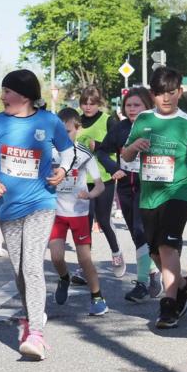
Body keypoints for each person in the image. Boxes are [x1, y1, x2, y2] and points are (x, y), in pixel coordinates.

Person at [0, 70, 72, 360]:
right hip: (9, 206)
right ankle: (30, 318)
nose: (2, 96)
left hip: (41, 202)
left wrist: (62, 171)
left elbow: (67, 152)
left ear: (25, 96)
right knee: (19, 270)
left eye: (7, 91)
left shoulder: (48, 121)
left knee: (31, 265)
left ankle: (37, 335)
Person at [121, 66, 187, 330]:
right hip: (149, 196)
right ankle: (181, 285)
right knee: (155, 250)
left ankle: (168, 305)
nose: (166, 99)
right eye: (160, 94)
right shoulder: (144, 120)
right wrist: (134, 147)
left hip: (177, 193)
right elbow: (125, 156)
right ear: (152, 95)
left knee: (169, 246)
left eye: (171, 93)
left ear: (180, 92)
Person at [96, 86, 164, 302]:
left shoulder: (156, 126)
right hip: (126, 185)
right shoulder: (120, 128)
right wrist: (112, 167)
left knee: (139, 228)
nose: (132, 109)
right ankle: (153, 271)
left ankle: (142, 283)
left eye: (137, 105)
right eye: (129, 105)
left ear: (147, 105)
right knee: (136, 234)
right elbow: (102, 150)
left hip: (148, 185)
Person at [51, 108, 108, 316]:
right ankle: (64, 278)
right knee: (56, 257)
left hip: (79, 213)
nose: (62, 136)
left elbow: (100, 186)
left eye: (67, 131)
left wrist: (90, 195)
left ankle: (97, 296)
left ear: (78, 128)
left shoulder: (84, 154)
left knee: (84, 259)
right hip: (56, 213)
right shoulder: (50, 152)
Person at [73, 86, 126, 282]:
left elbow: (119, 147)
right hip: (81, 179)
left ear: (98, 103)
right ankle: (83, 267)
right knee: (84, 223)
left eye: (92, 103)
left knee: (103, 220)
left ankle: (116, 253)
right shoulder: (76, 121)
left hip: (103, 178)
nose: (88, 107)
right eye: (84, 103)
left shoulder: (108, 120)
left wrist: (99, 145)